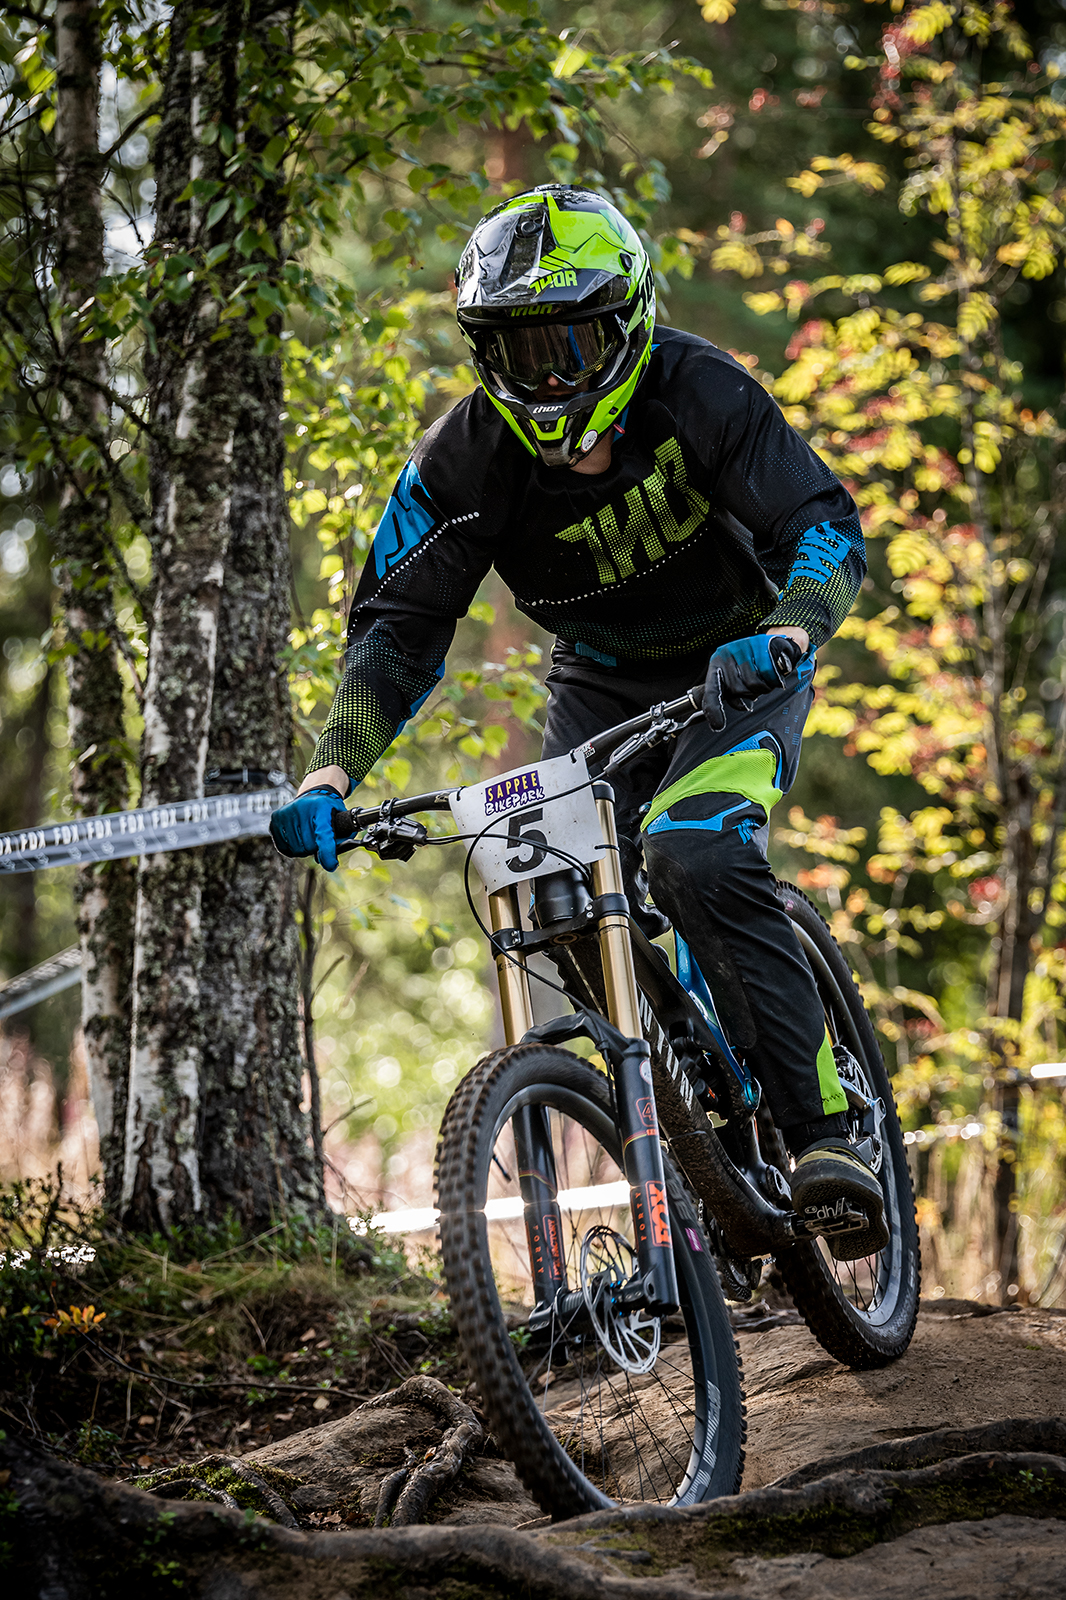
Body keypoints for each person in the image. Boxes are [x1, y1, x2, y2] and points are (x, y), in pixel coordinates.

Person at [270, 185, 887, 1260]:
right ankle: (698, 1137)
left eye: (572, 345)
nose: (549, 377)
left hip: (740, 665)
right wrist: (330, 773)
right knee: (549, 897)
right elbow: (396, 628)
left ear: (628, 323)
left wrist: (788, 631)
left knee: (692, 851)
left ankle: (824, 1135)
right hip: (598, 683)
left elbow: (823, 525)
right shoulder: (460, 461)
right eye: (520, 351)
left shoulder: (702, 391)